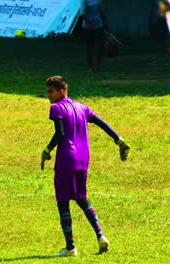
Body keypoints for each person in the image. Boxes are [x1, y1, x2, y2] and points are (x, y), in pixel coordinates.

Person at [41, 76, 130, 257]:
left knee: (63, 202)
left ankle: (70, 247)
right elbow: (101, 123)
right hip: (83, 160)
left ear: (61, 91)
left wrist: (47, 149)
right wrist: (118, 140)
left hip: (66, 160)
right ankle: (101, 236)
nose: (48, 95)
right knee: (82, 199)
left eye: (51, 91)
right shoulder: (82, 107)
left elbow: (60, 133)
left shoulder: (56, 108)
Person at [81, 0, 108, 72]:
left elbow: (102, 12)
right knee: (89, 47)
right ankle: (89, 67)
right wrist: (91, 24)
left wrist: (105, 24)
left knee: (101, 45)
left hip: (99, 25)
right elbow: (82, 15)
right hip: (88, 27)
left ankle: (98, 65)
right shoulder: (84, 1)